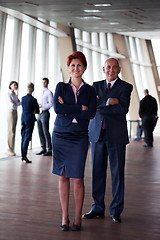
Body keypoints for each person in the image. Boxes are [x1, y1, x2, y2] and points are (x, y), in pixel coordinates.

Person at [82, 58, 133, 223]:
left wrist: (101, 104)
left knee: (117, 173)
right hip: (97, 135)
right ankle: (97, 207)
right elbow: (92, 106)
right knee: (97, 172)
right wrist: (109, 102)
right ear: (103, 69)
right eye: (107, 67)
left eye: (114, 67)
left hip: (116, 136)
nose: (110, 70)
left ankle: (116, 210)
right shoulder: (95, 86)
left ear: (118, 69)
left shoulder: (126, 87)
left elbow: (122, 109)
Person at [52, 51, 97, 231]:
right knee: (63, 176)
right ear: (68, 68)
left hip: (79, 136)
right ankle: (65, 217)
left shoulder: (90, 90)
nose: (76, 68)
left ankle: (78, 218)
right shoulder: (61, 87)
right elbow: (57, 109)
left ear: (84, 68)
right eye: (72, 66)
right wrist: (80, 107)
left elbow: (91, 113)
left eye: (79, 65)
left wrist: (68, 108)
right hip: (60, 134)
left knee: (78, 177)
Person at [21, 82, 39, 163]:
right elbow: (37, 111)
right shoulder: (34, 100)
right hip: (30, 119)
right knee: (27, 137)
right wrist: (34, 111)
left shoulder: (23, 98)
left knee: (23, 136)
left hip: (23, 118)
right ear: (33, 89)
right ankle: (24, 156)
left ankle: (23, 155)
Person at [36, 77, 53, 156]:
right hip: (39, 113)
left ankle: (49, 149)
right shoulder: (40, 92)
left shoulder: (49, 92)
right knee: (40, 131)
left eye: (45, 82)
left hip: (45, 112)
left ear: (47, 83)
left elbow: (51, 104)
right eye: (42, 82)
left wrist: (42, 106)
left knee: (45, 131)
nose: (43, 83)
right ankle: (43, 148)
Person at [7, 81, 21, 156]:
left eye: (16, 85)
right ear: (10, 85)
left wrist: (15, 102)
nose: (15, 86)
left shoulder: (15, 94)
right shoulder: (8, 94)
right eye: (14, 85)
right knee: (10, 130)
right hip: (11, 111)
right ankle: (9, 149)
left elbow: (19, 103)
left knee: (13, 130)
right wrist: (16, 102)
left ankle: (12, 149)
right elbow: (12, 103)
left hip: (15, 111)